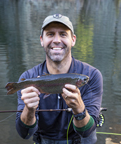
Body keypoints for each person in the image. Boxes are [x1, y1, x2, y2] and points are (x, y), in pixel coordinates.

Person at [16, 14, 103, 144]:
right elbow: (24, 134)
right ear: (41, 40)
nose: (56, 40)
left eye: (63, 34)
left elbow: (87, 132)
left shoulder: (93, 75)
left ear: (73, 40)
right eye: (50, 34)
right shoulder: (28, 78)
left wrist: (79, 109)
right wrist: (29, 110)